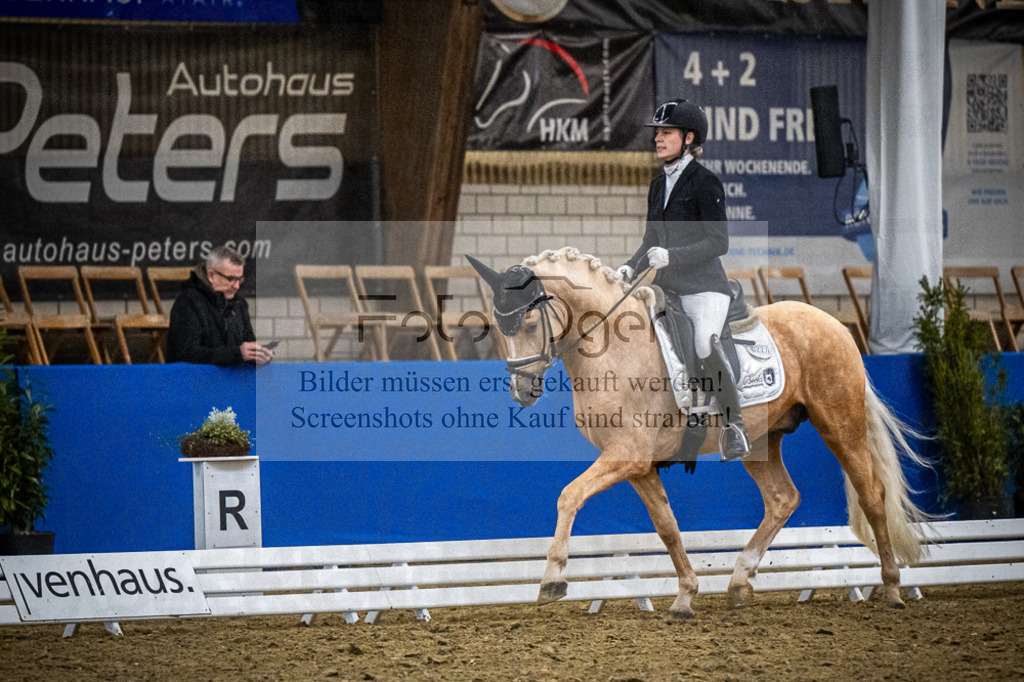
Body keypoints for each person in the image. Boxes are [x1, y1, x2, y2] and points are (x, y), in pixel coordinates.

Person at [617, 99, 750, 461]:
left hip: (705, 288)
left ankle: (734, 424)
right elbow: (651, 240)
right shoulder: (657, 185)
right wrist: (629, 267)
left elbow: (719, 242)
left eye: (667, 133)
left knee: (705, 344)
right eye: (657, 133)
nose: (657, 139)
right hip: (668, 289)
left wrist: (673, 256)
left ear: (689, 138)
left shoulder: (706, 182)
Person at [166, 245, 274, 366]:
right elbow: (187, 354)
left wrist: (259, 355)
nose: (237, 286)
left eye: (239, 279)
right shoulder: (188, 302)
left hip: (230, 376)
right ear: (211, 275)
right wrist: (237, 354)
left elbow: (247, 345)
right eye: (230, 279)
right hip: (195, 377)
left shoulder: (240, 304)